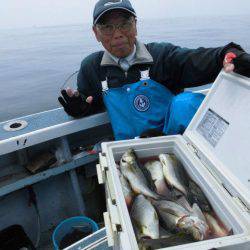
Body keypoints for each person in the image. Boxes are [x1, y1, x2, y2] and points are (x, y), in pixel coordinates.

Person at [58, 0, 250, 141]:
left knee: (186, 103)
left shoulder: (162, 56)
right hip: (127, 151)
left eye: (124, 23)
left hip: (175, 143)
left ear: (135, 25)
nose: (117, 34)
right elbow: (89, 102)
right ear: (95, 33)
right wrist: (80, 108)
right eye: (107, 27)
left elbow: (204, 59)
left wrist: (230, 53)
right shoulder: (91, 68)